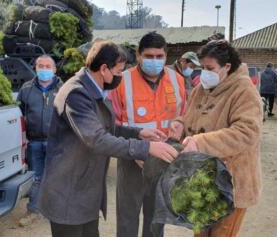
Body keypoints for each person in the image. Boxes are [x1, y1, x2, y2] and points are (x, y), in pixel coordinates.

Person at [37, 40, 179, 237]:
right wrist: (146, 148)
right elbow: (97, 139)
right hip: (68, 192)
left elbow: (106, 128)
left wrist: (137, 133)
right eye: (118, 72)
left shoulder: (92, 89)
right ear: (104, 69)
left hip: (84, 189)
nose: (120, 76)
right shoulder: (76, 93)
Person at [169, 40, 263, 237]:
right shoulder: (200, 89)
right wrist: (179, 123)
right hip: (201, 181)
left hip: (231, 182)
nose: (204, 73)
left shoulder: (244, 91)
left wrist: (201, 142)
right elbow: (189, 115)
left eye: (209, 68)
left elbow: (246, 132)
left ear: (227, 67)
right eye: (202, 67)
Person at [109, 32, 186, 237]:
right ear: (138, 55)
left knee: (156, 220)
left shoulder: (176, 80)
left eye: (159, 56)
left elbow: (185, 115)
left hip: (163, 162)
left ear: (166, 56)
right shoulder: (121, 81)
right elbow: (112, 124)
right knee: (127, 218)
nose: (155, 60)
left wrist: (181, 125)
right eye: (149, 56)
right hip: (132, 160)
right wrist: (136, 150)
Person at [17, 55, 62, 214]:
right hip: (34, 142)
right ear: (35, 68)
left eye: (48, 67)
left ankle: (55, 210)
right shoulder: (26, 89)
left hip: (56, 143)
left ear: (54, 69)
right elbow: (19, 116)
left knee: (57, 177)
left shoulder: (63, 90)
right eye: (40, 66)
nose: (44, 70)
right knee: (36, 178)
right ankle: (33, 211)